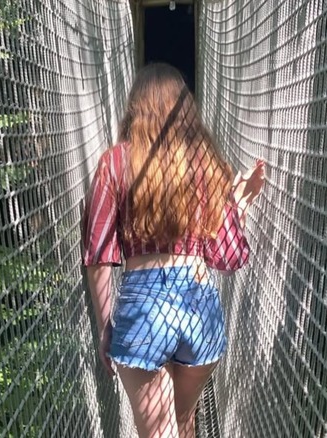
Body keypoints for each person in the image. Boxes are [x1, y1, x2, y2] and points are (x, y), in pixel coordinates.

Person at [82, 63, 265, 438]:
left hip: (145, 308)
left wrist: (105, 329)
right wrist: (239, 205)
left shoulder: (116, 162)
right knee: (183, 425)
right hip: (200, 304)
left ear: (136, 107)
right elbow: (228, 258)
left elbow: (99, 255)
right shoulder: (207, 165)